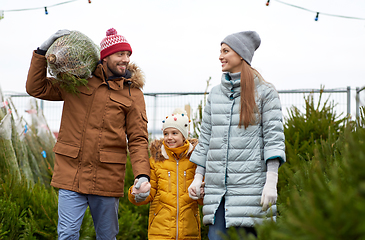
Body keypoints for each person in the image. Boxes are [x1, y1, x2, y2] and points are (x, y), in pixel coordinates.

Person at [26, 28, 151, 239]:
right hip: (71, 174)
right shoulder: (77, 81)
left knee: (106, 236)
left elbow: (138, 139)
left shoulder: (133, 93)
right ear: (105, 56)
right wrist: (41, 51)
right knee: (66, 235)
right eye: (120, 54)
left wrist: (142, 175)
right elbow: (35, 87)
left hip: (107, 177)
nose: (125, 59)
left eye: (128, 55)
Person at [188, 31, 286, 240]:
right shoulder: (215, 94)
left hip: (251, 193)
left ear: (241, 55)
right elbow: (206, 138)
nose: (220, 56)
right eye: (220, 51)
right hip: (217, 195)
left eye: (226, 51)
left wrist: (271, 181)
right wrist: (198, 177)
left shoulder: (266, 92)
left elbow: (273, 139)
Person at [128, 108, 204, 240]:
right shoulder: (156, 162)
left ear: (184, 135)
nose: (169, 137)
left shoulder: (195, 161)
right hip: (160, 232)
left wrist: (202, 193)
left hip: (189, 231)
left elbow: (201, 198)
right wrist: (136, 193)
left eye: (174, 133)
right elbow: (148, 194)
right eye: (166, 133)